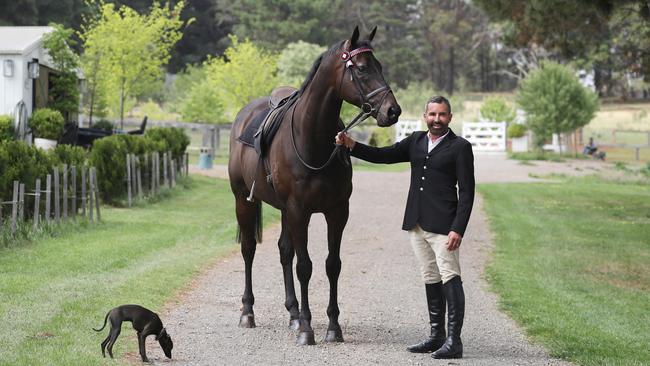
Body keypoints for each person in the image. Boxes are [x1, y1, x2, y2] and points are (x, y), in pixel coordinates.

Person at [336, 96, 475, 359]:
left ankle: (454, 341)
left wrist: (459, 228)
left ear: (450, 117)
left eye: (442, 115)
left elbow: (467, 192)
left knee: (450, 277)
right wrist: (351, 145)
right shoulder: (416, 141)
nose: (437, 119)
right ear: (425, 116)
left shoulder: (460, 147)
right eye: (432, 114)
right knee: (430, 278)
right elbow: (384, 155)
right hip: (417, 223)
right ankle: (437, 336)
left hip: (445, 226)